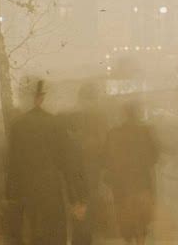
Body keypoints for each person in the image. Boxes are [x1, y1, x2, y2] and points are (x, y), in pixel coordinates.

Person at [6, 77, 77, 245]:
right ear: (41, 98)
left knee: (29, 229)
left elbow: (12, 162)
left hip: (26, 187)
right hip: (50, 186)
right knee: (53, 229)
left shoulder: (18, 125)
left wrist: (10, 193)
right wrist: (74, 195)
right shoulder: (55, 123)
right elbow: (66, 160)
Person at [104, 99, 159, 245]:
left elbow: (107, 159)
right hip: (142, 183)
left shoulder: (114, 134)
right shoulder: (145, 132)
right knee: (141, 223)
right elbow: (154, 157)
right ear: (136, 114)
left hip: (122, 186)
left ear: (124, 114)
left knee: (126, 221)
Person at [66, 80, 111, 245]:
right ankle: (84, 237)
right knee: (88, 203)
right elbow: (103, 142)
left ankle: (79, 237)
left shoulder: (73, 115)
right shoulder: (99, 117)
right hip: (91, 168)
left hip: (76, 168)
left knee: (76, 202)